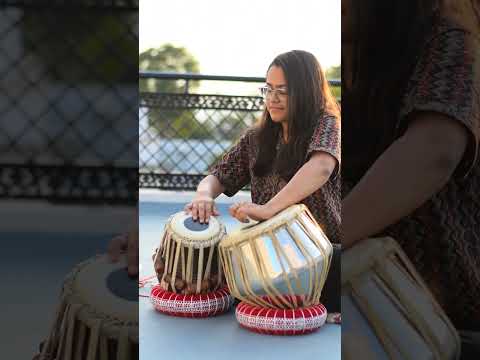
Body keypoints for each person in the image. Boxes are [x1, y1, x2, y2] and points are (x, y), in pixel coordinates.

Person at [341, 0, 480, 357]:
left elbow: (436, 148)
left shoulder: (448, 37)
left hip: (448, 324)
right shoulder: (353, 62)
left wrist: (322, 250)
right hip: (375, 314)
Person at [185, 50, 341, 245]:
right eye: (268, 89)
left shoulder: (328, 123)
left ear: (306, 92)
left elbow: (322, 167)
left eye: (282, 91)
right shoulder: (255, 139)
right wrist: (203, 196)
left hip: (323, 249)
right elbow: (218, 176)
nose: (272, 99)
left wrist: (267, 209)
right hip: (269, 249)